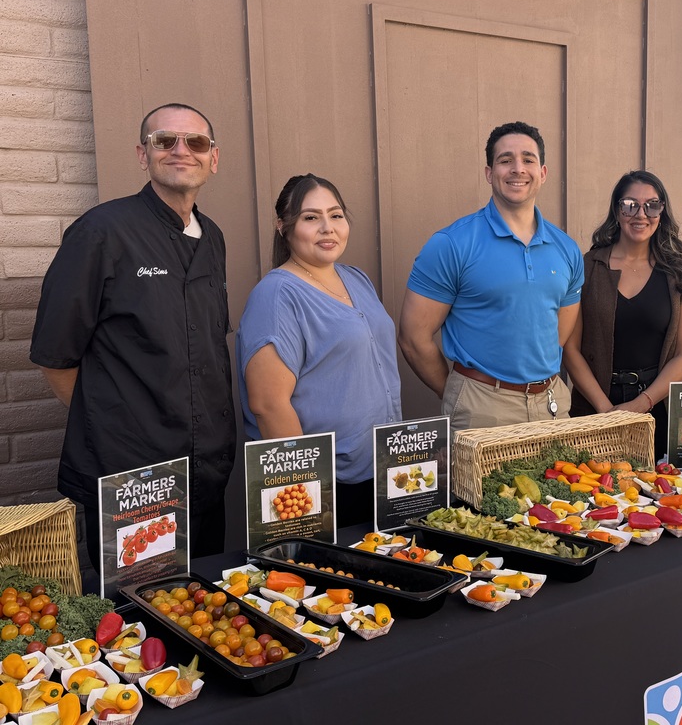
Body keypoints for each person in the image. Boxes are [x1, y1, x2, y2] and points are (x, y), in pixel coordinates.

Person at [30, 102, 236, 567]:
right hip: (132, 479)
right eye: (165, 141)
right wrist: (114, 423)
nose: (181, 151)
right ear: (144, 155)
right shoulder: (101, 232)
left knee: (203, 611)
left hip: (206, 470)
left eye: (196, 142)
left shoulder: (214, 238)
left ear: (213, 158)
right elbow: (55, 357)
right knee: (140, 620)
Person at [237, 174, 402, 526]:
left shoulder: (355, 277)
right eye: (311, 218)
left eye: (336, 215)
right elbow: (267, 404)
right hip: (328, 486)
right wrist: (309, 495)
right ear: (284, 227)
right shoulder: (278, 295)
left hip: (381, 473)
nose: (328, 228)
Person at [399, 121, 583, 431]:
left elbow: (557, 336)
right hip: (481, 407)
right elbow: (413, 338)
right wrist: (461, 395)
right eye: (505, 160)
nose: (517, 169)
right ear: (489, 173)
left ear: (543, 172)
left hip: (551, 406)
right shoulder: (452, 244)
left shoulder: (566, 248)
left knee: (555, 482)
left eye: (528, 159)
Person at [563, 170, 682, 455]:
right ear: (617, 210)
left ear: (661, 212)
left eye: (652, 205)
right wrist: (605, 410)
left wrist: (641, 404)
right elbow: (570, 348)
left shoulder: (679, 273)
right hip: (593, 407)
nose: (641, 214)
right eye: (630, 204)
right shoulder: (588, 267)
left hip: (655, 407)